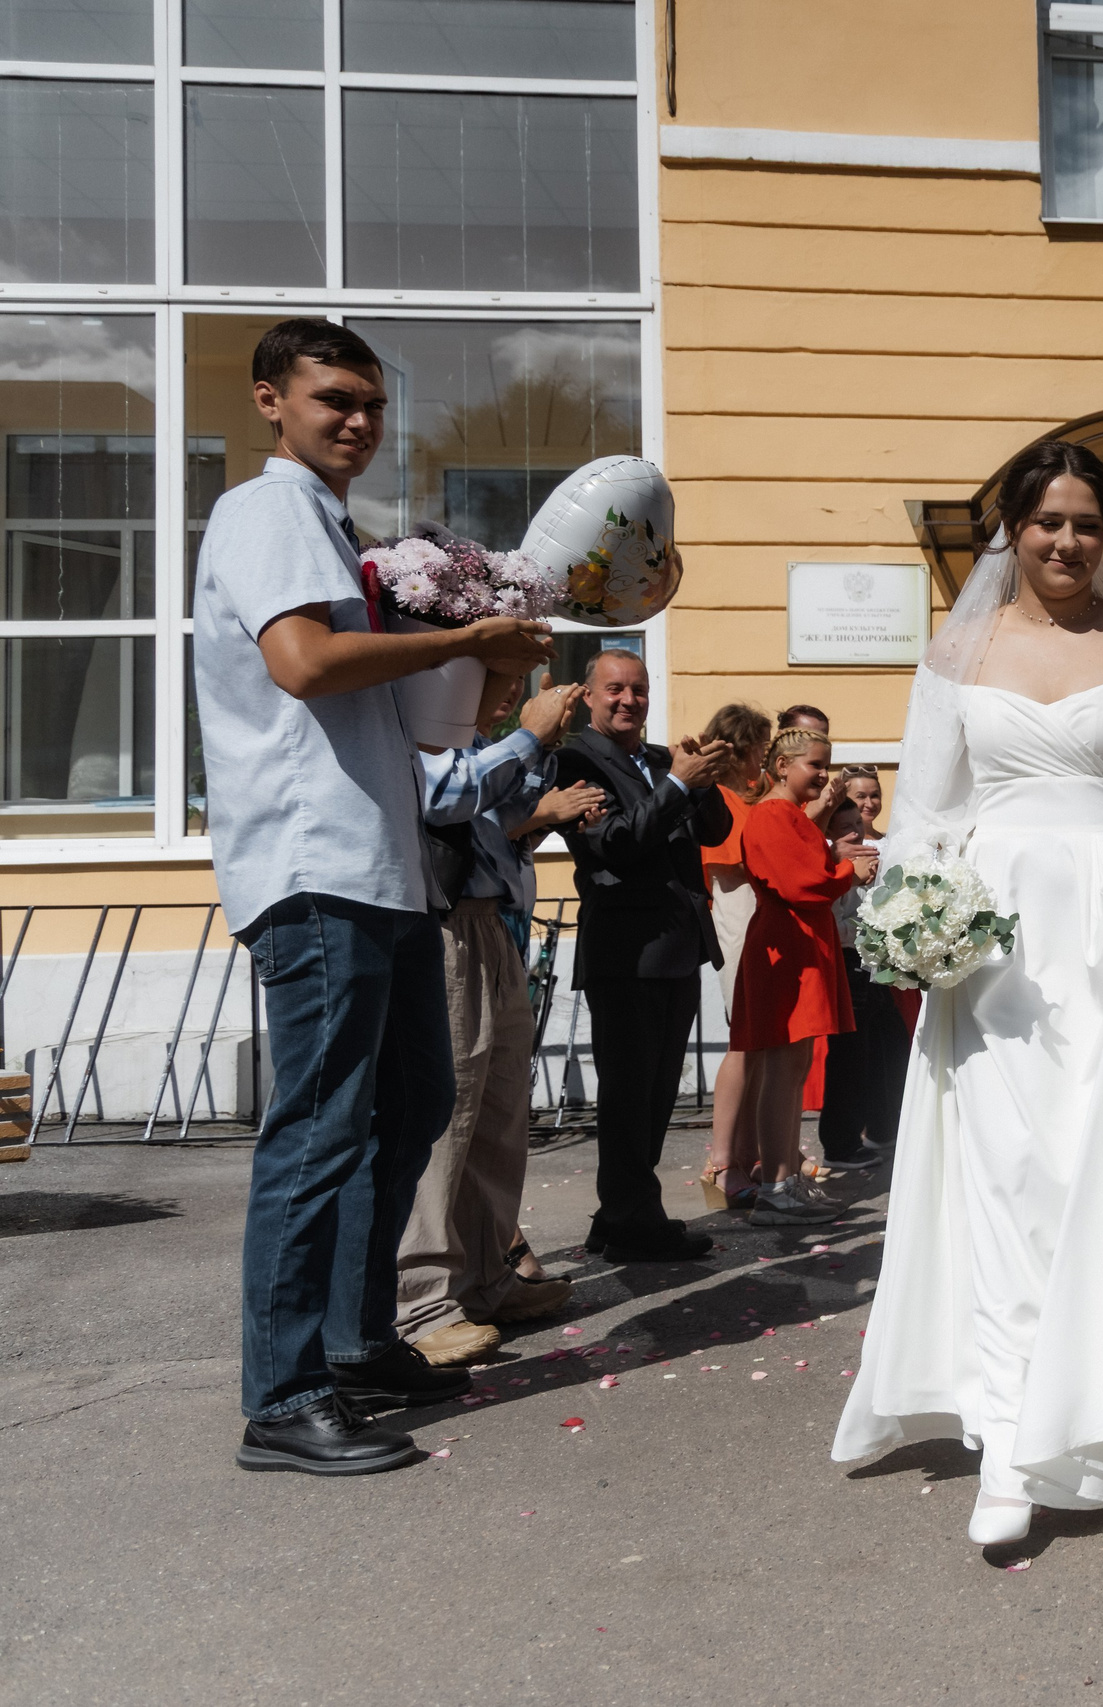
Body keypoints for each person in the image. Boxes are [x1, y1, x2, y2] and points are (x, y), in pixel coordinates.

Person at [833, 440, 1103, 1548]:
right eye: (1045, 521)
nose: (1066, 542)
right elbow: (923, 814)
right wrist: (919, 926)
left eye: (1086, 523)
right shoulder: (961, 649)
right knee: (1005, 1173)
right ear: (1011, 527)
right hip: (992, 942)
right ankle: (1010, 1439)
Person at [197, 318, 552, 1475]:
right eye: (331, 399)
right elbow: (301, 662)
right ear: (270, 401)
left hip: (382, 864)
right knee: (319, 1127)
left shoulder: (335, 527)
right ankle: (283, 1394)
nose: (356, 420)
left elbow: (407, 716)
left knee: (406, 1105)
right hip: (313, 867)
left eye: (371, 404)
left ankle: (353, 1346)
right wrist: (460, 634)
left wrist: (481, 663)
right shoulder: (267, 510)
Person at [397, 673, 603, 1366]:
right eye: (499, 670)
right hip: (448, 927)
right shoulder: (426, 730)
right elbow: (444, 797)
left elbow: (510, 819)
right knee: (446, 1115)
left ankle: (484, 1277)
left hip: (493, 924)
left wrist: (539, 760)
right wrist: (531, 735)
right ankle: (422, 1301)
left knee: (497, 1111)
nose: (513, 685)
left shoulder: (481, 743)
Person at [553, 650, 733, 1264]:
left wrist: (699, 780)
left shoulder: (658, 759)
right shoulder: (575, 759)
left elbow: (709, 834)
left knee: (657, 1096)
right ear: (589, 696)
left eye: (639, 690)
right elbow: (616, 843)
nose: (628, 701)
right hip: (627, 952)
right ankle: (634, 1220)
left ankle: (618, 1214)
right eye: (615, 691)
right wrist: (680, 784)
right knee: (630, 1094)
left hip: (677, 948)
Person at [730, 727, 872, 1226]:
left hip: (801, 942)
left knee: (792, 1071)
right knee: (782, 1071)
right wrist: (844, 875)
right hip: (787, 946)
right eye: (815, 764)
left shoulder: (787, 814)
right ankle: (774, 1187)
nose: (823, 774)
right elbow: (798, 882)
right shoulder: (771, 814)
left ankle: (786, 1181)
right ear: (783, 765)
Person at [694, 702, 774, 1215]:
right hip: (738, 915)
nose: (763, 762)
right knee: (744, 1042)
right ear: (740, 750)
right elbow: (736, 866)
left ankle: (747, 1157)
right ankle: (724, 1164)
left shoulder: (743, 795)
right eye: (759, 751)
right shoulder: (719, 799)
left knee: (758, 1043)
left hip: (751, 915)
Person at [818, 765, 907, 1171]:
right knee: (850, 1053)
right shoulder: (830, 852)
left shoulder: (885, 846)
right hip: (847, 955)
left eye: (874, 797)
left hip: (875, 961)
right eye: (855, 806)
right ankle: (840, 1143)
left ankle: (883, 1130)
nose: (867, 807)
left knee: (885, 1045)